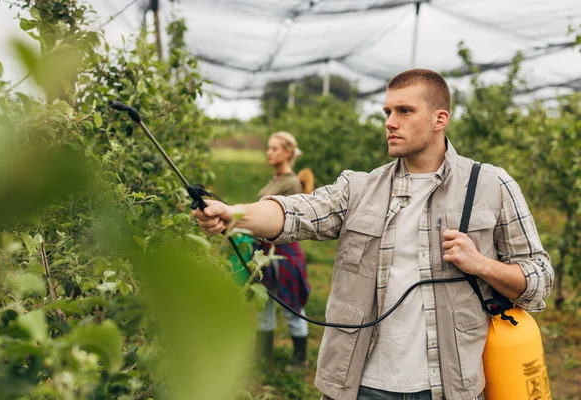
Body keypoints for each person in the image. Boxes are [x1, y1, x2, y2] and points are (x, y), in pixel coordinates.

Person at [194, 69, 553, 400]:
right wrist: (235, 213)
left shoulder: (492, 185)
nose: (390, 123)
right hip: (359, 384)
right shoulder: (360, 188)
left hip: (449, 386)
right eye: (386, 113)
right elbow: (298, 212)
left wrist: (482, 265)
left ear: (439, 119)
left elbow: (539, 280)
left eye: (404, 111)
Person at [252, 131, 311, 370]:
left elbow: (290, 222)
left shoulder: (291, 183)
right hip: (265, 250)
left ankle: (301, 359)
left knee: (291, 306)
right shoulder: (276, 179)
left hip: (283, 253)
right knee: (263, 303)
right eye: (268, 148)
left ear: (287, 152)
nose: (269, 152)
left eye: (274, 148)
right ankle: (262, 356)